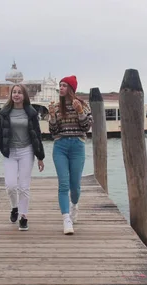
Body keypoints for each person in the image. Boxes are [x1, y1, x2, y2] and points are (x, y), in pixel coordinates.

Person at [0, 84, 45, 231]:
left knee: (24, 187)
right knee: (11, 185)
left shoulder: (31, 113)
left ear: (24, 95)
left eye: (19, 92)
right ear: (11, 95)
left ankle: (23, 216)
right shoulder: (4, 113)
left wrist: (40, 157)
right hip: (10, 152)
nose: (16, 95)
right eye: (14, 92)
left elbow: (37, 135)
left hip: (27, 151)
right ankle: (14, 207)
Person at [48, 75, 92, 235]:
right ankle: (66, 219)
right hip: (60, 146)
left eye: (64, 85)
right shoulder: (57, 107)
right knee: (63, 184)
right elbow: (53, 131)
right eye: (60, 85)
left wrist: (80, 112)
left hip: (77, 146)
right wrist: (52, 117)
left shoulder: (83, 105)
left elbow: (86, 127)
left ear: (71, 89)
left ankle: (74, 205)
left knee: (75, 186)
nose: (60, 88)